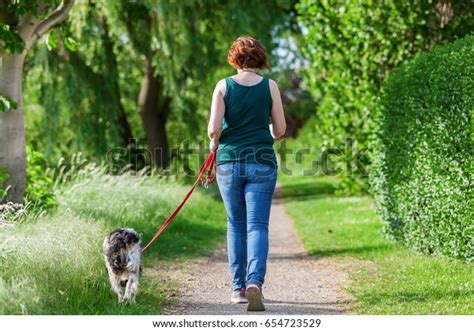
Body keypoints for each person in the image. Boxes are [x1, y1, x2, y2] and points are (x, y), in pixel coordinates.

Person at [207, 35, 286, 311]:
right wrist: (267, 133)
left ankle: (238, 289)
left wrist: (213, 142)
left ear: (235, 58)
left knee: (236, 225)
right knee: (257, 226)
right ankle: (255, 282)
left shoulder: (223, 85)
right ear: (260, 58)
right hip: (262, 162)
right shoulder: (270, 86)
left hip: (228, 162)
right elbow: (280, 130)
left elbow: (213, 128)